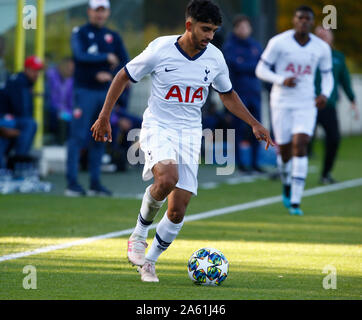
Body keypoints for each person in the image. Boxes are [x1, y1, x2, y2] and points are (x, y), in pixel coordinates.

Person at [91, 0, 274, 282]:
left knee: (177, 211)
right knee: (167, 178)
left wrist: (254, 124)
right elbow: (123, 76)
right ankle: (139, 235)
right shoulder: (160, 49)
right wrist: (104, 116)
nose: (210, 36)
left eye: (213, 31)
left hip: (190, 133)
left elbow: (227, 94)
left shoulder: (214, 57)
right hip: (158, 126)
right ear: (189, 25)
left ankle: (149, 262)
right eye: (205, 29)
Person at [255, 6, 334, 216]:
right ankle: (287, 182)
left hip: (306, 103)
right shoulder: (279, 42)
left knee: (301, 144)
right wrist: (281, 80)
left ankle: (296, 200)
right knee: (286, 151)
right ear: (294, 20)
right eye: (300, 18)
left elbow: (327, 75)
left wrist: (324, 94)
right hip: (281, 101)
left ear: (312, 22)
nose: (304, 22)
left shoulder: (321, 47)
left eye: (308, 19)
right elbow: (260, 69)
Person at [65, 0, 129, 197]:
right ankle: (72, 183)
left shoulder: (113, 36)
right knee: (77, 137)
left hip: (105, 94)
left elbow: (125, 62)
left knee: (100, 137)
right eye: (96, 10)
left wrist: (110, 74)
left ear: (107, 12)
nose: (99, 14)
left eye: (102, 10)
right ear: (89, 11)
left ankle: (95, 183)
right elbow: (79, 55)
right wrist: (104, 60)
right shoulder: (80, 33)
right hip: (84, 92)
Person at [313, 26, 358, 184]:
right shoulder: (309, 54)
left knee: (334, 138)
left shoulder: (337, 57)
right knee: (300, 141)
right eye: (319, 35)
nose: (323, 37)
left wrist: (352, 100)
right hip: (307, 105)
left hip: (328, 105)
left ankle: (326, 174)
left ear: (331, 37)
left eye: (326, 34)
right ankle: (289, 172)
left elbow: (344, 80)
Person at [223, 14, 264, 173]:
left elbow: (260, 67)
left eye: (246, 26)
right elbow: (235, 67)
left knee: (258, 128)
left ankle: (255, 163)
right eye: (240, 27)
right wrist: (251, 67)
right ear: (235, 29)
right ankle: (240, 163)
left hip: (255, 93)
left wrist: (245, 66)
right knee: (238, 129)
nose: (244, 30)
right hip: (238, 95)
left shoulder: (255, 45)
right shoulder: (230, 46)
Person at [0, 56, 42, 168]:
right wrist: (19, 132)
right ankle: (20, 166)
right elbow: (21, 111)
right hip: (4, 119)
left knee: (27, 125)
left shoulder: (23, 81)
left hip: (9, 119)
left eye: (39, 71)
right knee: (30, 124)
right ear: (27, 69)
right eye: (34, 70)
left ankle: (11, 167)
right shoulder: (20, 82)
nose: (37, 74)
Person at [45, 57, 74, 145]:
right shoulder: (51, 75)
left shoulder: (70, 80)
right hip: (52, 109)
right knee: (62, 117)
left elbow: (71, 101)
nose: (70, 70)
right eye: (68, 67)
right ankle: (60, 142)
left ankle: (68, 142)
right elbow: (51, 99)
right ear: (62, 66)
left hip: (66, 111)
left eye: (72, 68)